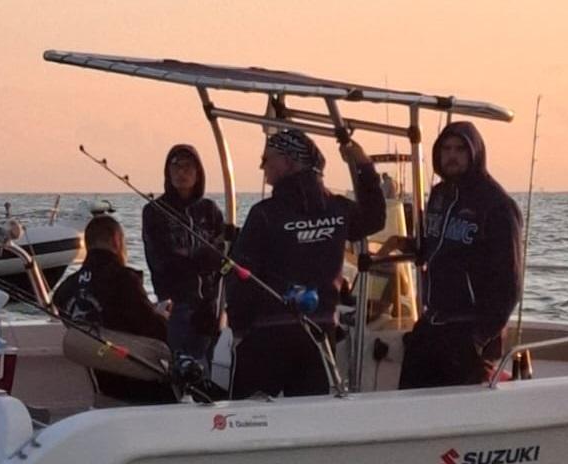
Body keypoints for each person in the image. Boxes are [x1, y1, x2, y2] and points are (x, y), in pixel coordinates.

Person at [225, 129, 386, 399]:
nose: (262, 166)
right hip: (319, 335)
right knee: (310, 414)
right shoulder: (337, 209)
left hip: (267, 335)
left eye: (267, 159)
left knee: (246, 417)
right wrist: (365, 166)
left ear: (290, 161)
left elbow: (241, 276)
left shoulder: (265, 214)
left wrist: (239, 328)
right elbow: (375, 218)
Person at [397, 121, 523, 389]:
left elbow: (510, 284)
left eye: (460, 149)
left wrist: (480, 336)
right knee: (408, 399)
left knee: (455, 403)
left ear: (474, 152)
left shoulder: (496, 205)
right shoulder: (439, 195)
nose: (452, 156)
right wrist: (408, 245)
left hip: (468, 331)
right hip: (433, 323)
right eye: (446, 149)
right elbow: (436, 247)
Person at [53, 215, 174, 403]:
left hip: (101, 381)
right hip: (137, 384)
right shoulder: (123, 280)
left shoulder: (64, 291)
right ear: (116, 241)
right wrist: (163, 316)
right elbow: (155, 330)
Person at [141, 145, 226, 369]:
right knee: (180, 365)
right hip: (175, 304)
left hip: (208, 306)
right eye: (176, 166)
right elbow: (159, 259)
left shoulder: (210, 210)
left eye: (188, 167)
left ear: (198, 172)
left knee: (208, 365)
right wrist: (197, 259)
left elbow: (222, 256)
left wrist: (213, 300)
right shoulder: (154, 211)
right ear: (167, 172)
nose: (181, 172)